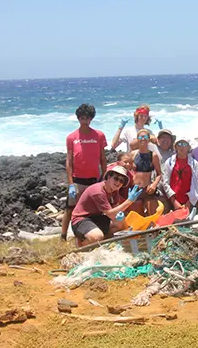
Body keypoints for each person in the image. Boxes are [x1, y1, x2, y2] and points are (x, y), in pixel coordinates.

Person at [61, 104, 107, 241]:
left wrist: (104, 177)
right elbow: (69, 161)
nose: (84, 120)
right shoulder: (71, 137)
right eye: (82, 118)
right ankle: (63, 236)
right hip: (77, 180)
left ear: (91, 118)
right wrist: (70, 184)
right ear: (78, 118)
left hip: (94, 181)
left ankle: (86, 234)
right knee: (70, 209)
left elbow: (103, 158)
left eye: (87, 118)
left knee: (92, 210)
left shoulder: (99, 135)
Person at [71, 166, 143, 246]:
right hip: (80, 220)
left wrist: (123, 221)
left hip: (96, 218)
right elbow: (111, 214)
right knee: (97, 237)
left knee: (120, 226)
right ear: (108, 177)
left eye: (121, 181)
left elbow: (116, 211)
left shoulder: (114, 192)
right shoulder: (98, 191)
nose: (118, 182)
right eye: (116, 178)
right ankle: (80, 244)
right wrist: (129, 201)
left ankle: (95, 239)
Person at [163, 138, 198, 210]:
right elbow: (165, 183)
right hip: (172, 201)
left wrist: (189, 202)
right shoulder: (169, 162)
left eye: (184, 144)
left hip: (189, 202)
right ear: (176, 147)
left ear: (188, 147)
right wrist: (174, 202)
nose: (182, 147)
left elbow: (197, 184)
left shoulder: (194, 163)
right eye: (179, 144)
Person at [131, 129, 162, 215]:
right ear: (137, 139)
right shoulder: (133, 154)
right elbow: (127, 168)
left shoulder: (153, 155)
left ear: (149, 139)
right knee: (138, 216)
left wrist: (154, 185)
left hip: (148, 189)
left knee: (151, 215)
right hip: (135, 190)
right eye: (141, 137)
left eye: (146, 137)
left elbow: (159, 173)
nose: (143, 139)